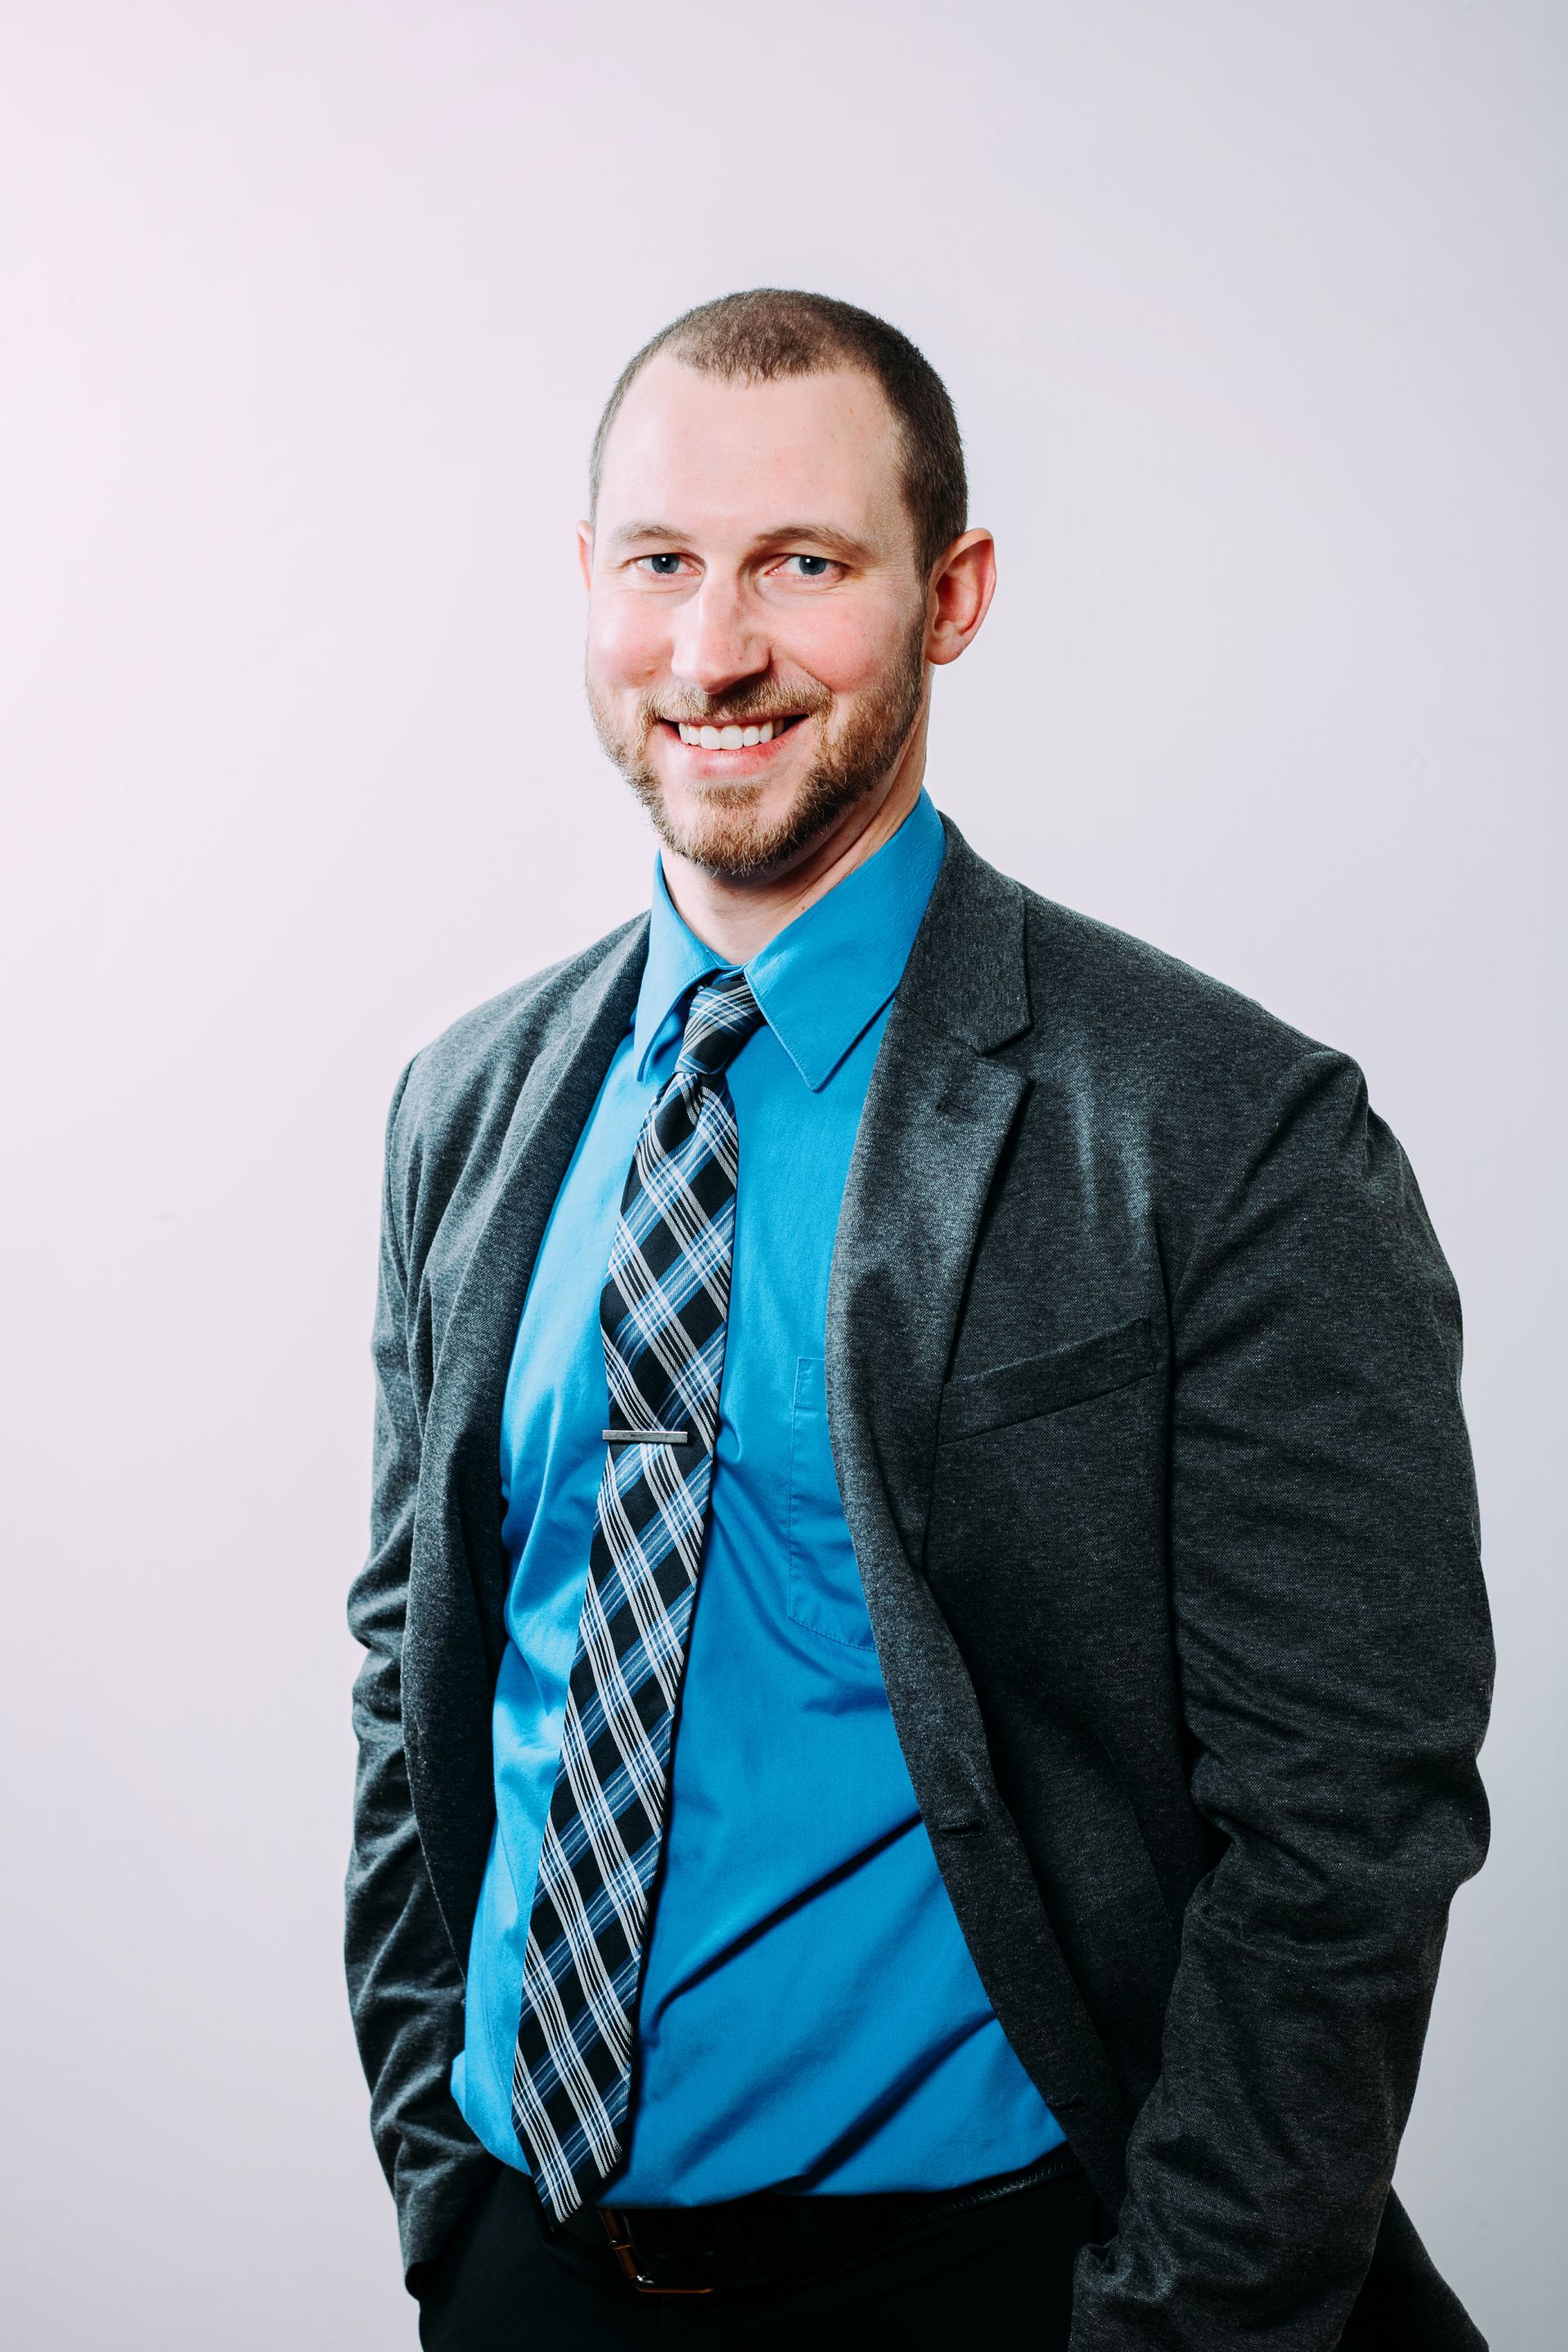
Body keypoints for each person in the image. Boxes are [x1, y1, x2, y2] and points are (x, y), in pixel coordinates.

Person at [346, 289, 1492, 2350]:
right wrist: (449, 2196)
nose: (715, 651)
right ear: (584, 586)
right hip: (539, 2274)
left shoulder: (1229, 1137)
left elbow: (1345, 1826)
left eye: (805, 563)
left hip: (1001, 2281)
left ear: (949, 595)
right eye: (662, 564)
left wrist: (1176, 2327)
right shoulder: (467, 1106)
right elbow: (409, 1673)